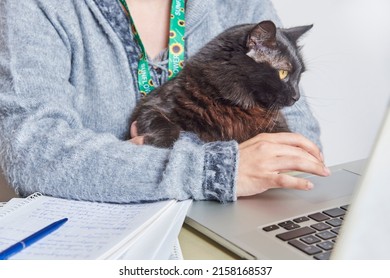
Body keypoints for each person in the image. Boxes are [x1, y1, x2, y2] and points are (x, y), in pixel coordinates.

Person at [0, 0, 330, 204]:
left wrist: (133, 163)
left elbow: (302, 146)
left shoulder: (239, 4)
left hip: (230, 218)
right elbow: (33, 150)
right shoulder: (37, 5)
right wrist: (218, 171)